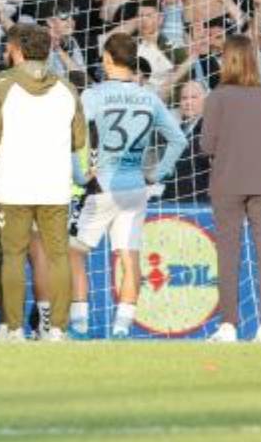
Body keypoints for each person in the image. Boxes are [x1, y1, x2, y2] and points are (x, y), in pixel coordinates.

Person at [69, 33, 186, 340]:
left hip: (102, 184)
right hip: (135, 185)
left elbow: (75, 139)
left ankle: (80, 322)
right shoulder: (149, 97)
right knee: (128, 255)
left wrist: (80, 176)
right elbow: (179, 139)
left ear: (107, 58)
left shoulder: (93, 96)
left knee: (74, 252)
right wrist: (156, 174)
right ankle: (123, 324)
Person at [0, 23, 84, 342]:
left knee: (13, 256)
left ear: (19, 52)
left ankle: (13, 329)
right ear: (49, 50)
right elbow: (78, 138)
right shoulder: (67, 89)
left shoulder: (3, 87)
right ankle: (58, 329)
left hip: (14, 184)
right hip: (53, 184)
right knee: (57, 256)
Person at [201, 34, 261, 343]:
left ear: (228, 60)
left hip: (228, 182)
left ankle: (229, 326)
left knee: (228, 253)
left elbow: (206, 144)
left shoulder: (217, 96)